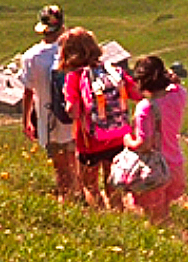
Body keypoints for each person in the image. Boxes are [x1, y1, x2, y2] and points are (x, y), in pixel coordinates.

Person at [57, 27, 135, 209]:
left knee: (90, 185)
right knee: (113, 184)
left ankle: (100, 216)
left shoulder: (74, 78)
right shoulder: (113, 71)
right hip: (118, 137)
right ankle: (118, 216)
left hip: (89, 141)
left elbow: (73, 111)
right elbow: (137, 93)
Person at [18, 5, 79, 203]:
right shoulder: (74, 50)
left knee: (60, 164)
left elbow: (28, 91)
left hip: (49, 118)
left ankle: (67, 198)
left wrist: (26, 119)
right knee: (75, 159)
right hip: (76, 116)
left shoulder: (31, 57)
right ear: (62, 26)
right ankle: (80, 195)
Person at [123, 55, 187, 225]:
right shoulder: (178, 95)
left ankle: (163, 243)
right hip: (174, 163)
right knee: (164, 209)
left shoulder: (146, 107)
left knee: (154, 218)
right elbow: (177, 86)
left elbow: (144, 144)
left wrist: (127, 139)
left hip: (154, 169)